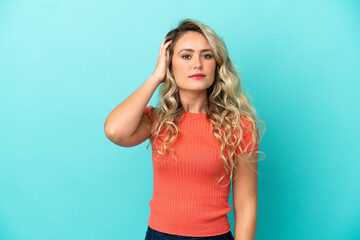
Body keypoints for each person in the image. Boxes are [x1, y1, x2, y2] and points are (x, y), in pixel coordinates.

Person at [104, 19, 265, 240]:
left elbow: (246, 206)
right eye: (186, 56)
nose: (197, 64)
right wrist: (156, 77)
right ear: (170, 64)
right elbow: (114, 131)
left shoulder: (238, 126)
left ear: (217, 64)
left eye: (207, 55)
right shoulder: (157, 120)